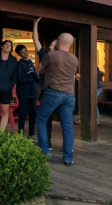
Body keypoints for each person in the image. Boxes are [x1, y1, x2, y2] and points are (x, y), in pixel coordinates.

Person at [36, 33, 78, 166]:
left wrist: (46, 70)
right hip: (70, 95)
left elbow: (39, 69)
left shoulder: (51, 55)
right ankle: (68, 157)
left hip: (53, 93)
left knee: (41, 119)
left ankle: (44, 151)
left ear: (59, 41)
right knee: (67, 126)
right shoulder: (74, 59)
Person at [33, 17, 58, 150]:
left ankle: (48, 145)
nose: (51, 43)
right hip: (47, 91)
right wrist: (35, 25)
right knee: (47, 119)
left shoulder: (59, 58)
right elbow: (35, 40)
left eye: (54, 43)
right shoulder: (45, 55)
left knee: (49, 119)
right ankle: (47, 144)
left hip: (54, 92)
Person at [15, 44, 39, 140]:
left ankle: (31, 134)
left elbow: (34, 76)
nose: (25, 53)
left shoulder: (30, 62)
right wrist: (32, 76)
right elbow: (20, 78)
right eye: (22, 52)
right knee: (23, 113)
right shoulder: (19, 64)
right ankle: (21, 133)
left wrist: (36, 78)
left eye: (25, 50)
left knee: (33, 113)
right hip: (23, 92)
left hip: (32, 92)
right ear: (19, 54)